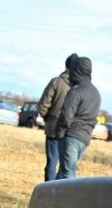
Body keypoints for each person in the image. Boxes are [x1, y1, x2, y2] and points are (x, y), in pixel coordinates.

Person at [55, 56, 101, 179]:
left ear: (76, 70)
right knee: (64, 171)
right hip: (85, 138)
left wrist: (59, 133)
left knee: (68, 173)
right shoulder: (95, 93)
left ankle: (70, 198)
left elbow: (66, 117)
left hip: (71, 136)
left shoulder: (75, 91)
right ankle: (53, 196)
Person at [38, 53, 78, 181]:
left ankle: (49, 191)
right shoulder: (78, 86)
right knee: (67, 166)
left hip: (53, 126)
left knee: (51, 162)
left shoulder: (56, 82)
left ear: (66, 66)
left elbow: (44, 103)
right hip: (70, 130)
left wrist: (47, 118)